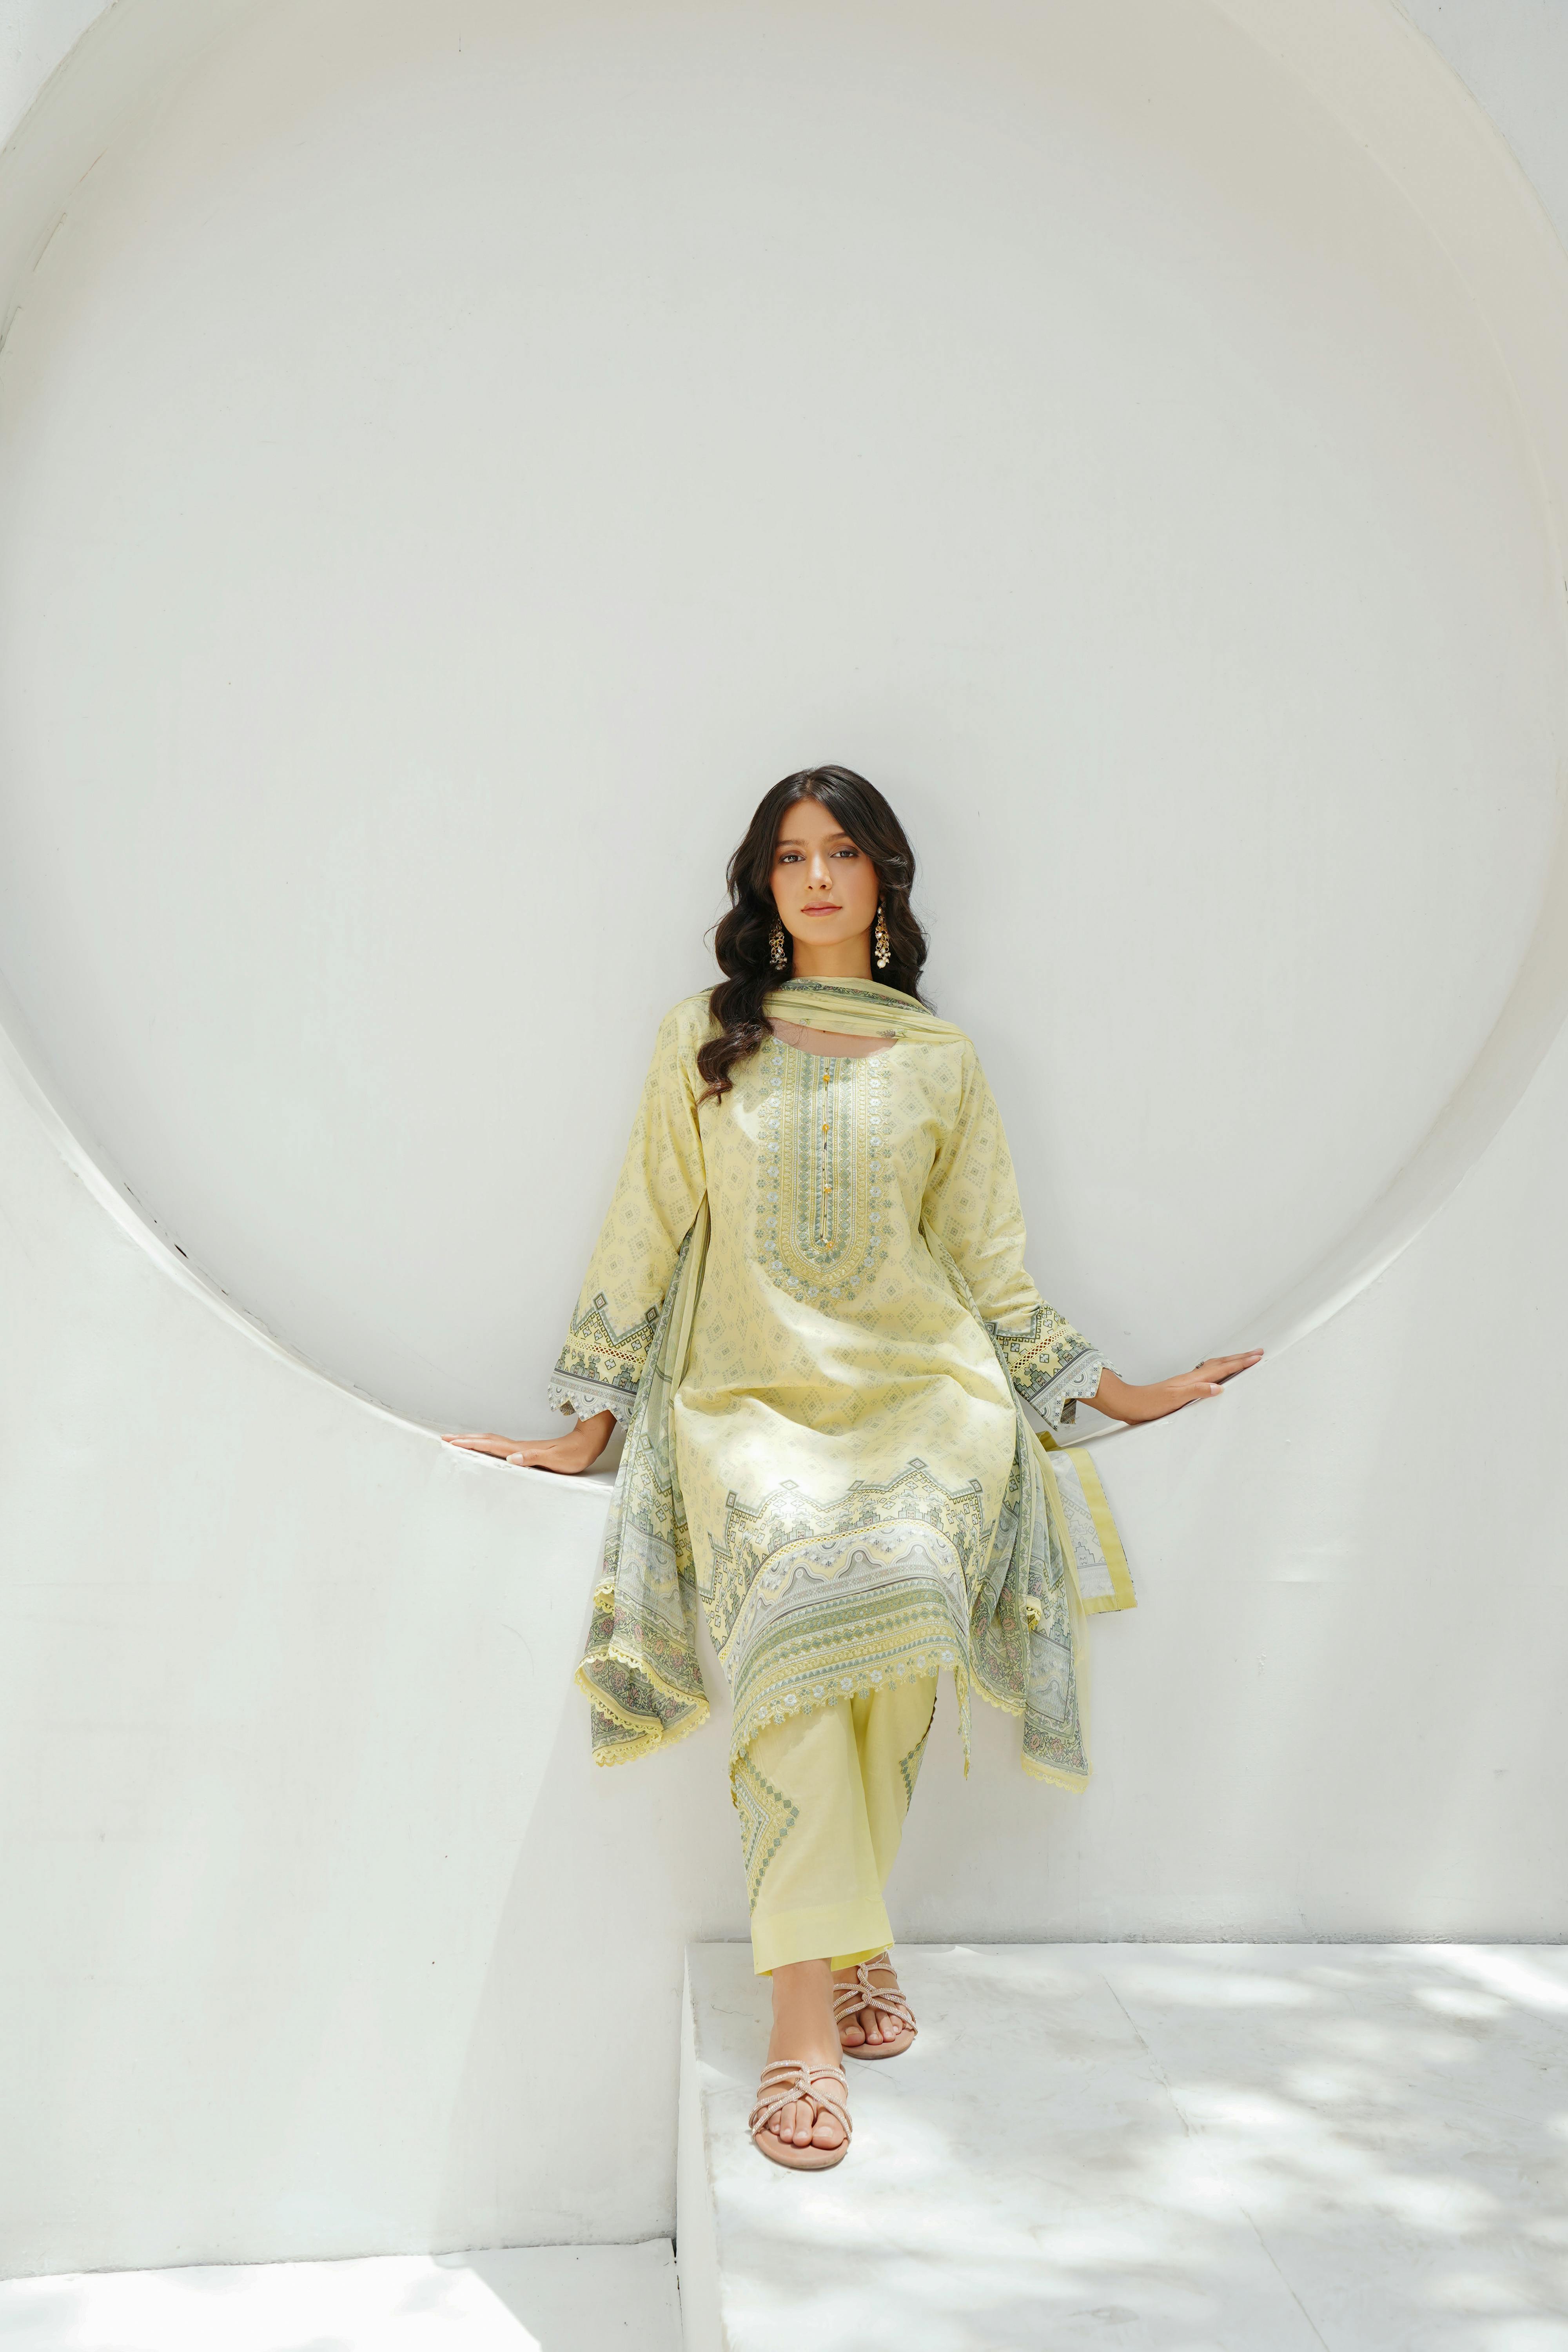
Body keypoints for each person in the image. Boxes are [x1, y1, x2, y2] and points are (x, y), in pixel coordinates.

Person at [446, 766, 1260, 2171]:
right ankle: (817, 2001)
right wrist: (591, 1420)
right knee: (797, 1620)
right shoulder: (702, 1039)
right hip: (744, 1405)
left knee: (900, 1596)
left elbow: (989, 1266)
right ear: (762, 888)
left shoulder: (944, 1063)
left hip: (926, 1397)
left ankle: (825, 1980)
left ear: (886, 879)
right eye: (788, 857)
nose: (815, 878)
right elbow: (645, 1227)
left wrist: (1117, 1390)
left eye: (842, 853)